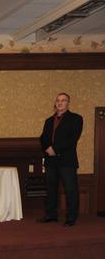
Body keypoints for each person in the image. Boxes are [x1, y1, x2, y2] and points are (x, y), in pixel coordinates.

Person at [39, 93, 83, 226]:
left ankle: (71, 218)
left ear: (68, 103)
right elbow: (43, 138)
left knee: (70, 190)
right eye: (58, 100)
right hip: (51, 160)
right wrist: (48, 148)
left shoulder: (76, 119)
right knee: (51, 189)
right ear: (55, 103)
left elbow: (72, 139)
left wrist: (55, 149)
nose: (60, 103)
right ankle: (51, 215)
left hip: (67, 160)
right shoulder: (49, 121)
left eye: (63, 100)